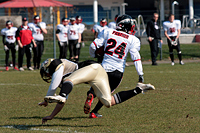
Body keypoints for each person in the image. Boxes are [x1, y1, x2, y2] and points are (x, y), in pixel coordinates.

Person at [38, 58, 155, 124]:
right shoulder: (63, 81)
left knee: (69, 80)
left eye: (46, 73)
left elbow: (54, 84)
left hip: (93, 68)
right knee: (108, 102)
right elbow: (62, 101)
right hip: (98, 73)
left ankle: (89, 95)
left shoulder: (57, 64)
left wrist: (47, 99)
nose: (47, 76)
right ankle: (139, 89)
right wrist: (51, 116)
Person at [84, 14, 144, 118]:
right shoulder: (133, 39)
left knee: (96, 86)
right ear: (125, 25)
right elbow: (136, 57)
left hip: (104, 68)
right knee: (107, 95)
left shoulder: (107, 31)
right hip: (117, 72)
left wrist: (94, 55)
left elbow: (93, 45)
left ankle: (91, 95)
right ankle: (94, 112)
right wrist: (140, 74)